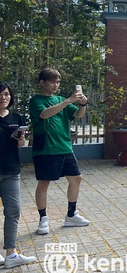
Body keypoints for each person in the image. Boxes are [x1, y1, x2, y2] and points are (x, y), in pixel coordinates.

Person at [29, 68, 90, 236]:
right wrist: (68, 100)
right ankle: (43, 219)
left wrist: (82, 104)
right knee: (44, 183)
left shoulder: (61, 100)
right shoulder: (36, 100)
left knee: (76, 178)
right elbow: (44, 114)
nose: (56, 85)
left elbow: (78, 115)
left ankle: (71, 215)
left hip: (65, 146)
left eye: (58, 82)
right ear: (43, 82)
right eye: (53, 82)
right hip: (46, 149)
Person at [0, 82, 37, 268]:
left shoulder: (17, 117)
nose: (3, 97)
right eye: (0, 94)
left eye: (6, 94)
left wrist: (20, 137)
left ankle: (11, 254)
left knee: (13, 211)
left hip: (11, 170)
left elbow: (20, 146)